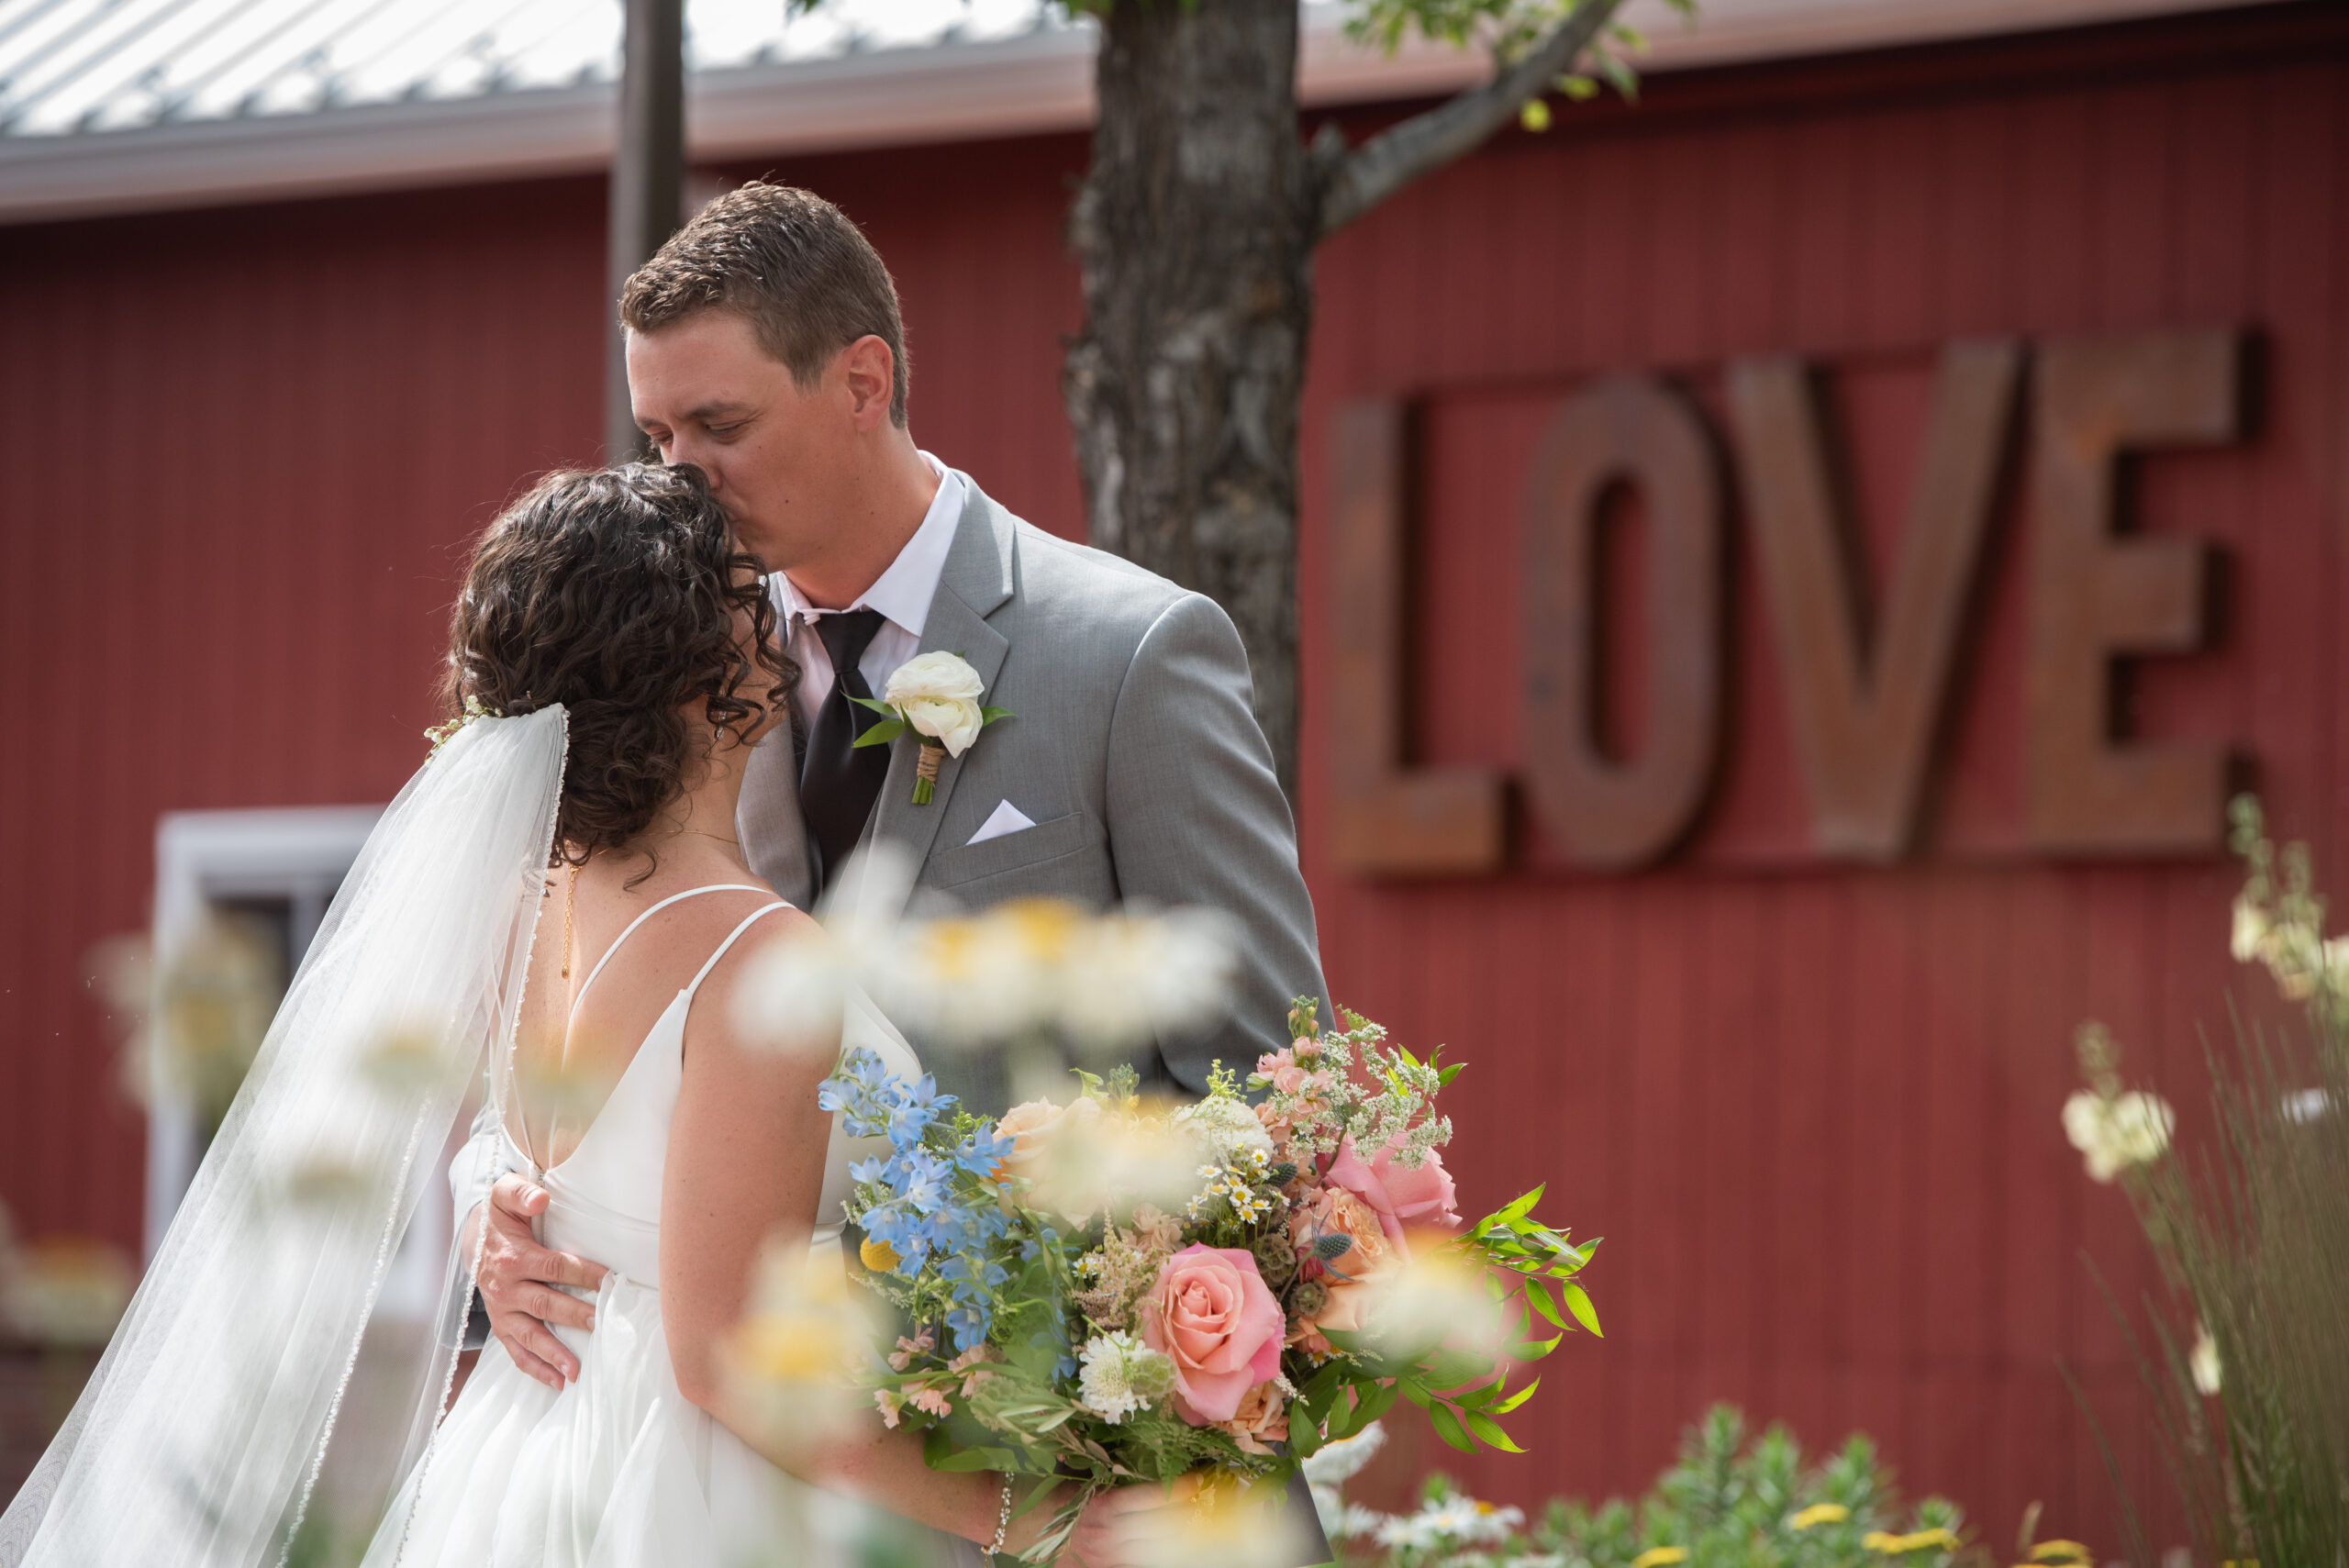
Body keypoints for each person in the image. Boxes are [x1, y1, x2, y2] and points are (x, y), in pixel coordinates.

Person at [0, 465, 1156, 1566]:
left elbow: (532, 1162)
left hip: (532, 1446)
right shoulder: (759, 958)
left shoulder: (520, 905)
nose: (783, 622)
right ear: (709, 674)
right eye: (756, 604)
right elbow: (723, 1355)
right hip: (709, 1491)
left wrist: (483, 1219)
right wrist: (1018, 1510)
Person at [471, 183, 1329, 1424]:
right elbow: (569, 1011)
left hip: (1069, 1468)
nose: (684, 482)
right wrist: (490, 1212)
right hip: (777, 1484)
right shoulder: (668, 673)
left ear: (864, 382)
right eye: (657, 437)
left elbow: (1266, 1095)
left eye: (721, 424)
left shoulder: (1133, 655)